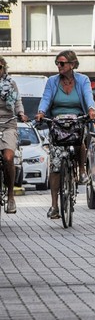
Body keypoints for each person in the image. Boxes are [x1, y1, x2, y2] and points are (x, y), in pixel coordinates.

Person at [35, 51, 95, 220]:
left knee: (79, 139)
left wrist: (91, 110)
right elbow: (46, 99)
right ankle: (55, 206)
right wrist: (41, 112)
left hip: (77, 119)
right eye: (57, 63)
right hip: (57, 122)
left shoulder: (83, 80)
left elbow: (88, 96)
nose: (59, 66)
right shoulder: (52, 81)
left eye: (62, 63)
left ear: (72, 64)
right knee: (56, 164)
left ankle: (82, 169)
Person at [0, 56, 28, 214]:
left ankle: (10, 196)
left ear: (4, 68)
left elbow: (18, 102)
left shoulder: (11, 84)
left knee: (8, 158)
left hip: (9, 123)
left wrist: (21, 113)